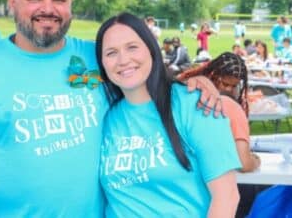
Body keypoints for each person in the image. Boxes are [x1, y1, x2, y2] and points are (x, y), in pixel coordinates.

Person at [0, 0, 220, 217]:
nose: (48, 9)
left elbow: (148, 78)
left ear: (71, 4)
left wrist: (193, 83)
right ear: (12, 2)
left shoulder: (101, 58)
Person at [96, 12, 240, 217]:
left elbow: (227, 196)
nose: (123, 60)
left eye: (132, 47)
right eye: (111, 53)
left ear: (151, 49)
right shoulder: (105, 117)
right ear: (101, 63)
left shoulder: (196, 103)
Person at [178, 52, 263, 217]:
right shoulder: (230, 106)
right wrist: (255, 160)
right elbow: (244, 163)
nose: (230, 90)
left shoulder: (181, 94)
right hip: (213, 190)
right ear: (213, 76)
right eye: (226, 84)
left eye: (234, 86)